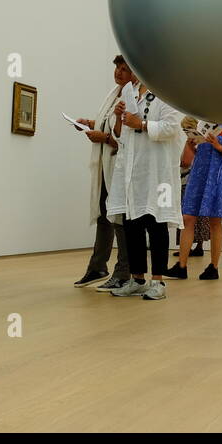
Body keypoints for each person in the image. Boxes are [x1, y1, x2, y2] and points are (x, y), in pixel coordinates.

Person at [105, 73, 185, 301]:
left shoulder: (168, 91)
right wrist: (120, 117)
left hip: (157, 173)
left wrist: (140, 123)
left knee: (156, 225)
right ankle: (137, 279)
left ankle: (157, 281)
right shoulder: (130, 92)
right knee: (133, 226)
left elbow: (171, 127)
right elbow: (120, 135)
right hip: (133, 172)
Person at [74, 55, 133, 290]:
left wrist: (104, 137)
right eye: (118, 68)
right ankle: (98, 266)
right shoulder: (114, 94)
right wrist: (91, 123)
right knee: (103, 216)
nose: (119, 72)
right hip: (105, 165)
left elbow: (131, 140)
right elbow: (107, 123)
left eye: (125, 69)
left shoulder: (131, 98)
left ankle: (124, 271)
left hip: (120, 167)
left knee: (120, 220)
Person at [166, 123, 222, 280]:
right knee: (187, 218)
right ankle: (181, 266)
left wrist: (219, 146)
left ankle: (213, 267)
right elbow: (190, 158)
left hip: (217, 176)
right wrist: (191, 145)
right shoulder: (203, 123)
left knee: (215, 221)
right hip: (199, 174)